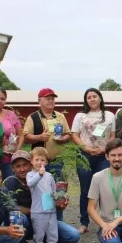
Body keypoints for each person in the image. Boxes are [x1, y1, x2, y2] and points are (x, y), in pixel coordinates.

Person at [2, 151, 82, 243]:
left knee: (73, 234)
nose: (22, 169)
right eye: (18, 166)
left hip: (46, 215)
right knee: (17, 218)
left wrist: (60, 204)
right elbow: (10, 207)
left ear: (30, 164)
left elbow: (53, 197)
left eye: (25, 165)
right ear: (13, 168)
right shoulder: (10, 182)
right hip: (28, 220)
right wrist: (35, 212)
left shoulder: (48, 176)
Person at [22, 88, 73, 220]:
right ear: (39, 101)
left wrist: (63, 139)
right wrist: (39, 137)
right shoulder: (33, 117)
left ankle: (58, 222)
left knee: (58, 194)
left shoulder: (60, 116)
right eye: (47, 98)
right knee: (39, 193)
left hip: (57, 162)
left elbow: (69, 134)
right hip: (39, 164)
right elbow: (26, 137)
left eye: (52, 98)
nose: (51, 101)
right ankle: (39, 222)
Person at [71, 88, 116, 233]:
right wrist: (86, 149)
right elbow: (75, 135)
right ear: (86, 100)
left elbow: (113, 135)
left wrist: (106, 149)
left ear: (100, 98)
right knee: (85, 189)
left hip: (103, 155)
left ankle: (106, 220)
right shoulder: (80, 116)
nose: (92, 99)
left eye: (94, 96)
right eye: (89, 97)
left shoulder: (109, 115)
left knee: (105, 188)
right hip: (84, 155)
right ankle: (84, 222)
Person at [24, 147, 64, 243]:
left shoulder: (50, 176)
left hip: (50, 211)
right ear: (31, 161)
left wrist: (60, 198)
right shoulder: (30, 175)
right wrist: (39, 175)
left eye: (43, 160)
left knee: (53, 234)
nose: (40, 162)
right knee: (39, 235)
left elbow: (53, 191)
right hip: (38, 212)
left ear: (47, 162)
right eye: (37, 159)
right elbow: (31, 184)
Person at [0, 87, 23, 180]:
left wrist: (17, 152)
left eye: (2, 99)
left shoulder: (11, 115)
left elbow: (21, 134)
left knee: (9, 186)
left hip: (9, 160)